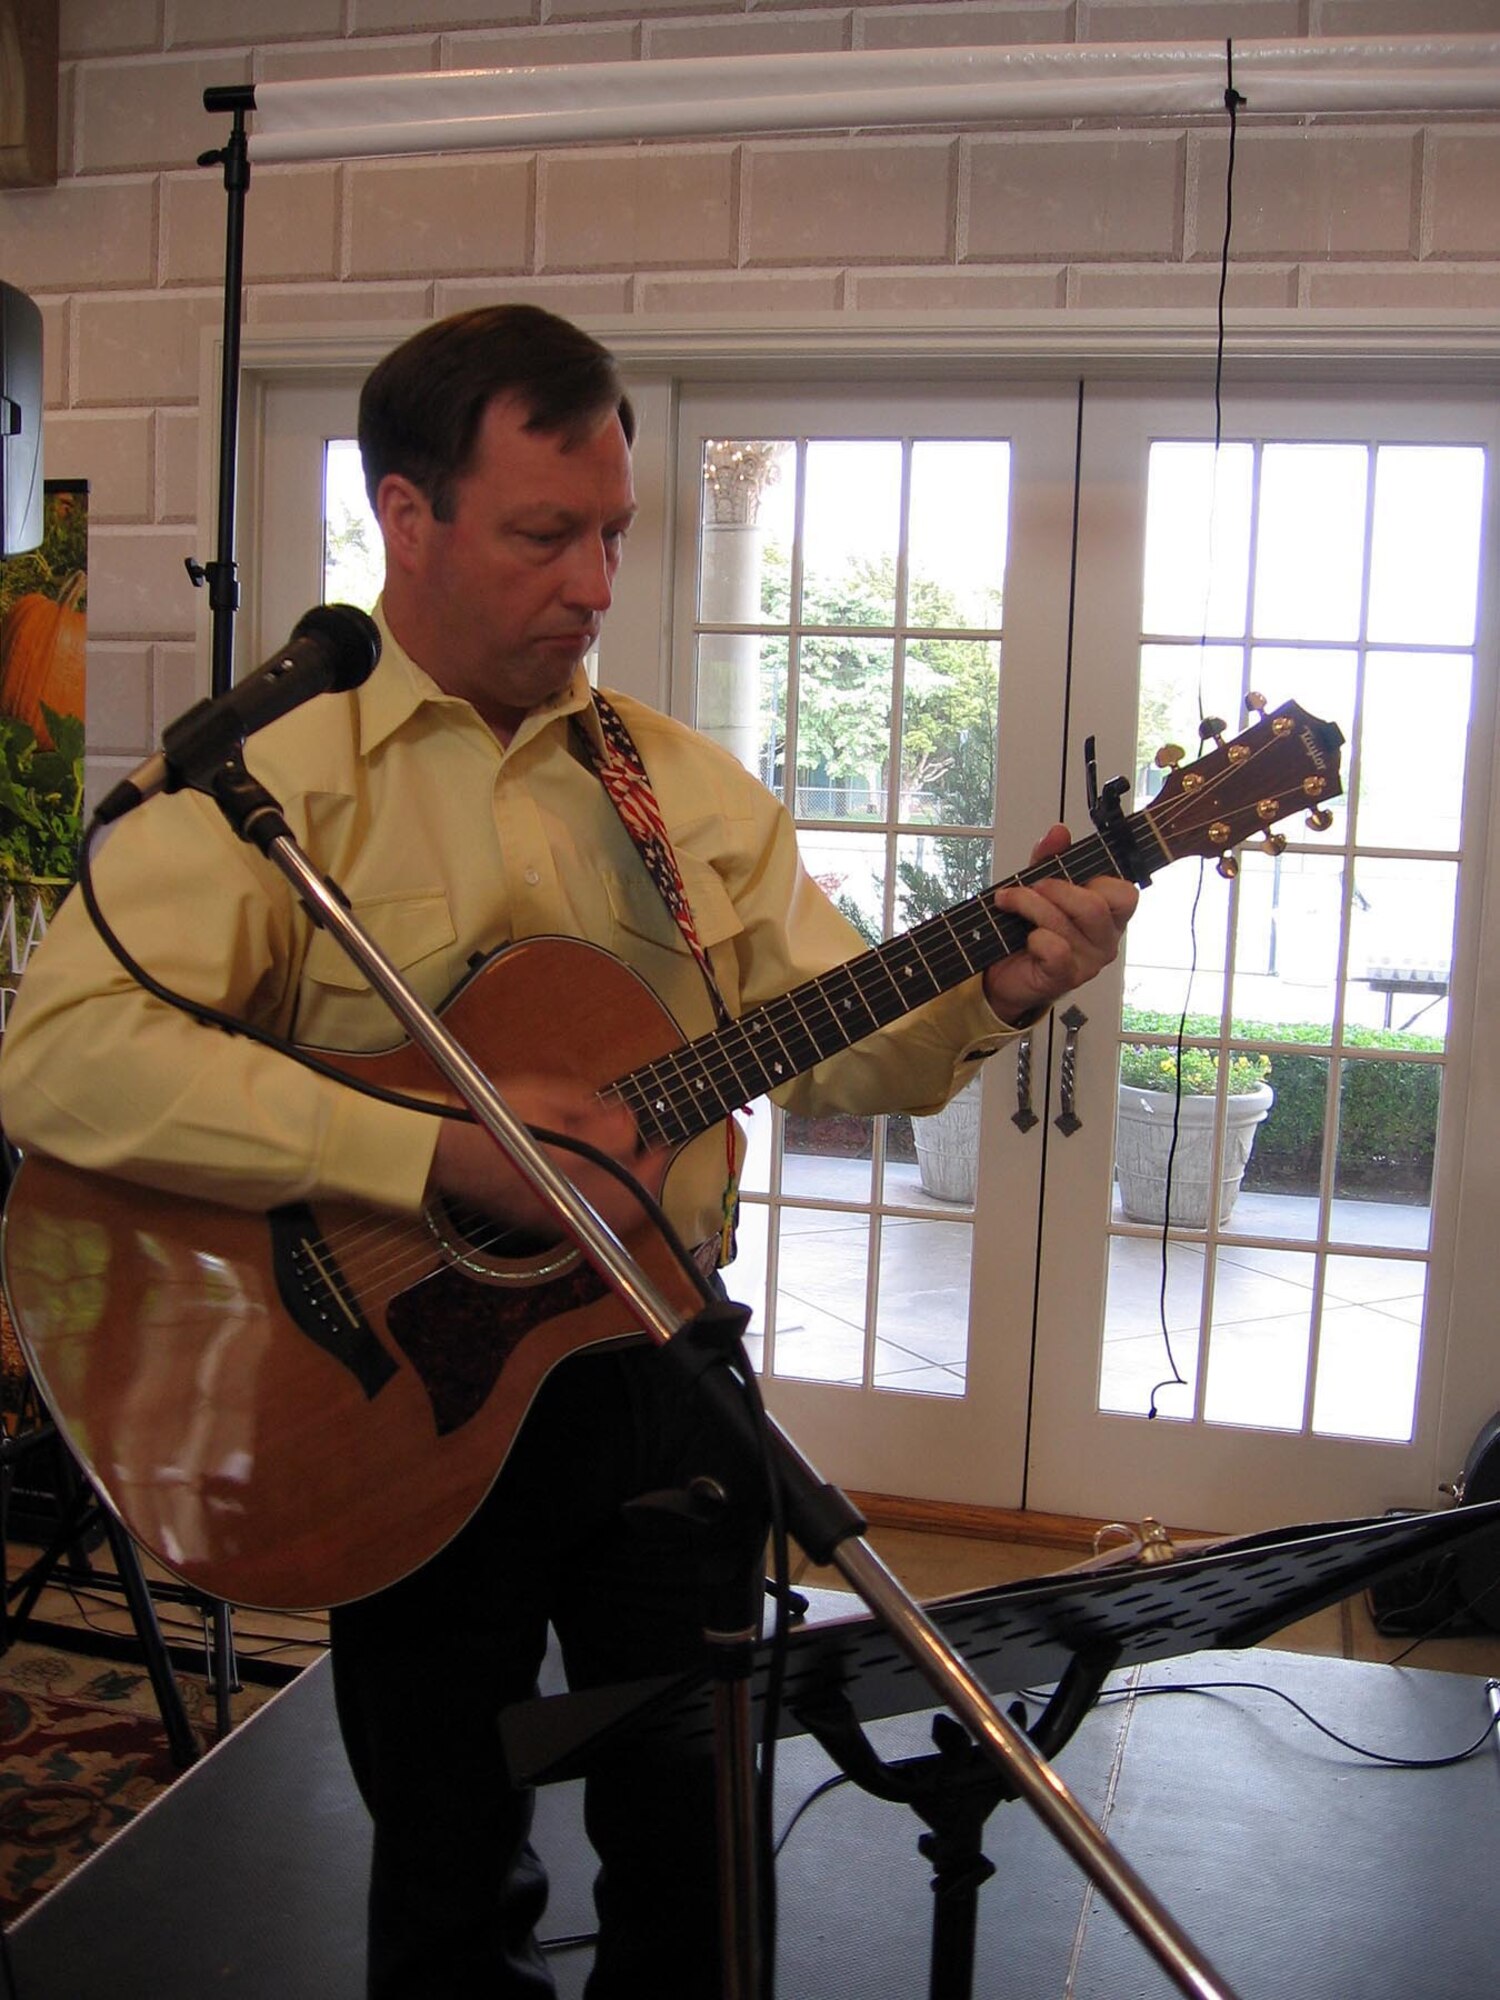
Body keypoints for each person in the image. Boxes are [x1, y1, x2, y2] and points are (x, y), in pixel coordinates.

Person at [0, 304, 1137, 1997]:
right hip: (384, 1384)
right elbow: (61, 1060)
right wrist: (423, 1153)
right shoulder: (268, 786)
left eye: (613, 533)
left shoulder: (684, 793)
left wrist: (993, 986)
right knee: (451, 1858)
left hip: (656, 1364)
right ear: (407, 515)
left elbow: (858, 1038)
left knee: (698, 1844)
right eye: (547, 534)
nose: (596, 583)